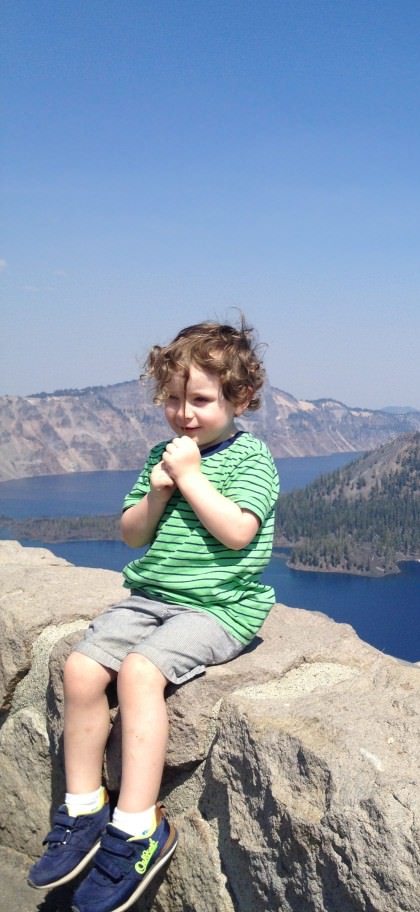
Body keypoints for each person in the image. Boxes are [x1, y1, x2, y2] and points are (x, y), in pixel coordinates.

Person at [27, 318, 280, 912]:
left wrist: (191, 479)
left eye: (200, 399)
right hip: (151, 598)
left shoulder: (253, 460)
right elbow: (132, 534)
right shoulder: (160, 457)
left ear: (240, 399)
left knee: (141, 672)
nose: (183, 413)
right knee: (83, 669)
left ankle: (137, 828)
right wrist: (159, 489)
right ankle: (84, 810)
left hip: (222, 607)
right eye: (172, 399)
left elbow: (239, 533)